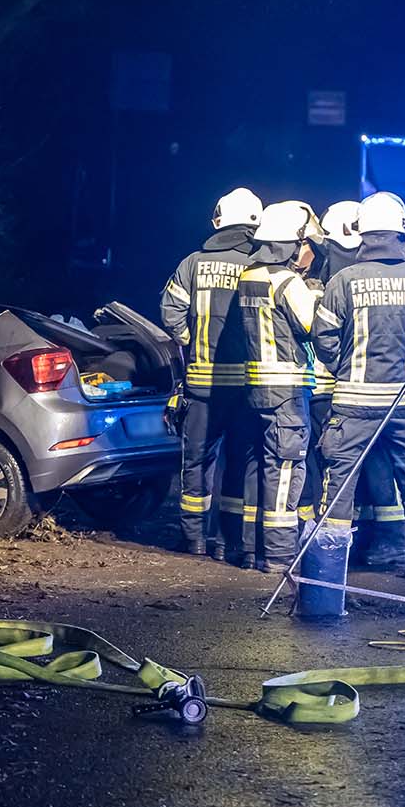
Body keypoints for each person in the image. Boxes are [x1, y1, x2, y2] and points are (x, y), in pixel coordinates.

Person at [305, 191, 405, 580]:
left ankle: (328, 574)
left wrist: (344, 367)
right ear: (401, 231)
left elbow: (323, 339)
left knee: (339, 483)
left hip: (353, 403)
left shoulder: (342, 281)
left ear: (363, 233)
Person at [158, 187, 261, 558]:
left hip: (202, 384)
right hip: (249, 386)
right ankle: (232, 543)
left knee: (197, 461)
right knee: (242, 462)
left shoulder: (192, 263)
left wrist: (190, 338)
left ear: (218, 221)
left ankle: (195, 539)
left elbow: (170, 311)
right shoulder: (259, 264)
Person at [234, 201, 324, 572]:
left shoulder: (248, 276)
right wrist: (317, 296)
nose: (309, 252)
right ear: (291, 243)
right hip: (287, 389)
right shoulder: (287, 282)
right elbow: (311, 325)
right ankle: (280, 554)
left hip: (256, 388)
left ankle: (252, 548)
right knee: (286, 470)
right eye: (306, 244)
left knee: (258, 467)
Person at [300, 201, 361, 536]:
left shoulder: (324, 280)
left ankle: (317, 530)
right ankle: (358, 532)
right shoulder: (362, 273)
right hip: (354, 388)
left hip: (320, 386)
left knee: (318, 459)